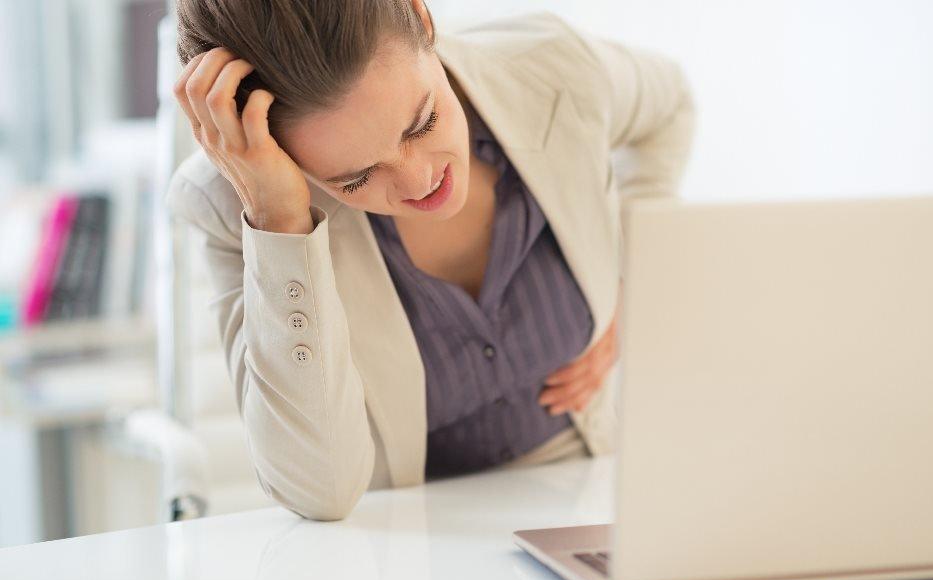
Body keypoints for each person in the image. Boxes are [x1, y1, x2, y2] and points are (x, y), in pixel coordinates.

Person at [165, 0, 695, 521]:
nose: (419, 181)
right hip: (412, 555)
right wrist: (280, 222)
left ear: (420, 17)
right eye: (354, 179)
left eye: (422, 123)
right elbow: (320, 493)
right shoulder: (231, 206)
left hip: (589, 504)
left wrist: (633, 287)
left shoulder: (550, 68)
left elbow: (669, 106)